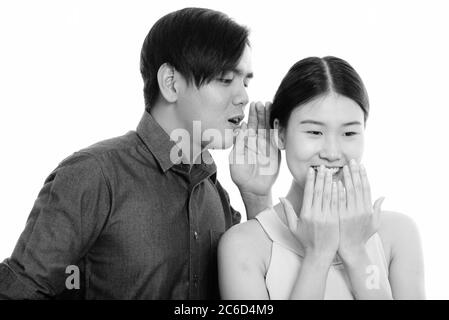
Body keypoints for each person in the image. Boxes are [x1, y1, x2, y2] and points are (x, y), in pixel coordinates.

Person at [0, 7, 279, 299]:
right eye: (225, 79)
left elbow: (258, 296)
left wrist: (257, 197)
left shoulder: (215, 194)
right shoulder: (93, 175)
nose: (244, 97)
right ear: (171, 83)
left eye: (245, 81)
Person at [218, 56, 425, 299]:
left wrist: (357, 253)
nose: (332, 152)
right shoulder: (243, 245)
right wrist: (317, 257)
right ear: (281, 134)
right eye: (315, 132)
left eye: (349, 132)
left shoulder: (398, 233)